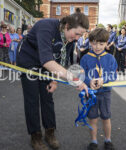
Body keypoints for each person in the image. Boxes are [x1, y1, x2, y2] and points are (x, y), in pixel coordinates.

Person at [16, 8, 89, 150]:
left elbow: (61, 60)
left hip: (47, 62)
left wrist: (55, 80)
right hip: (28, 59)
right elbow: (47, 61)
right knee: (32, 98)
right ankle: (35, 136)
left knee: (47, 97)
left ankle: (50, 132)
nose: (77, 38)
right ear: (67, 26)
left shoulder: (70, 38)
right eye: (77, 34)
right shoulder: (46, 26)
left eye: (81, 35)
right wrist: (75, 80)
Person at [80, 28, 117, 150]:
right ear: (90, 42)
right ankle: (93, 141)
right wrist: (88, 82)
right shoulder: (85, 58)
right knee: (92, 118)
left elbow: (114, 75)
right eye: (94, 43)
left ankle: (108, 140)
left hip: (105, 93)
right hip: (90, 94)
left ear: (106, 43)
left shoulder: (111, 58)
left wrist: (103, 80)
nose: (97, 47)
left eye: (101, 44)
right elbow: (81, 75)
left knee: (106, 117)